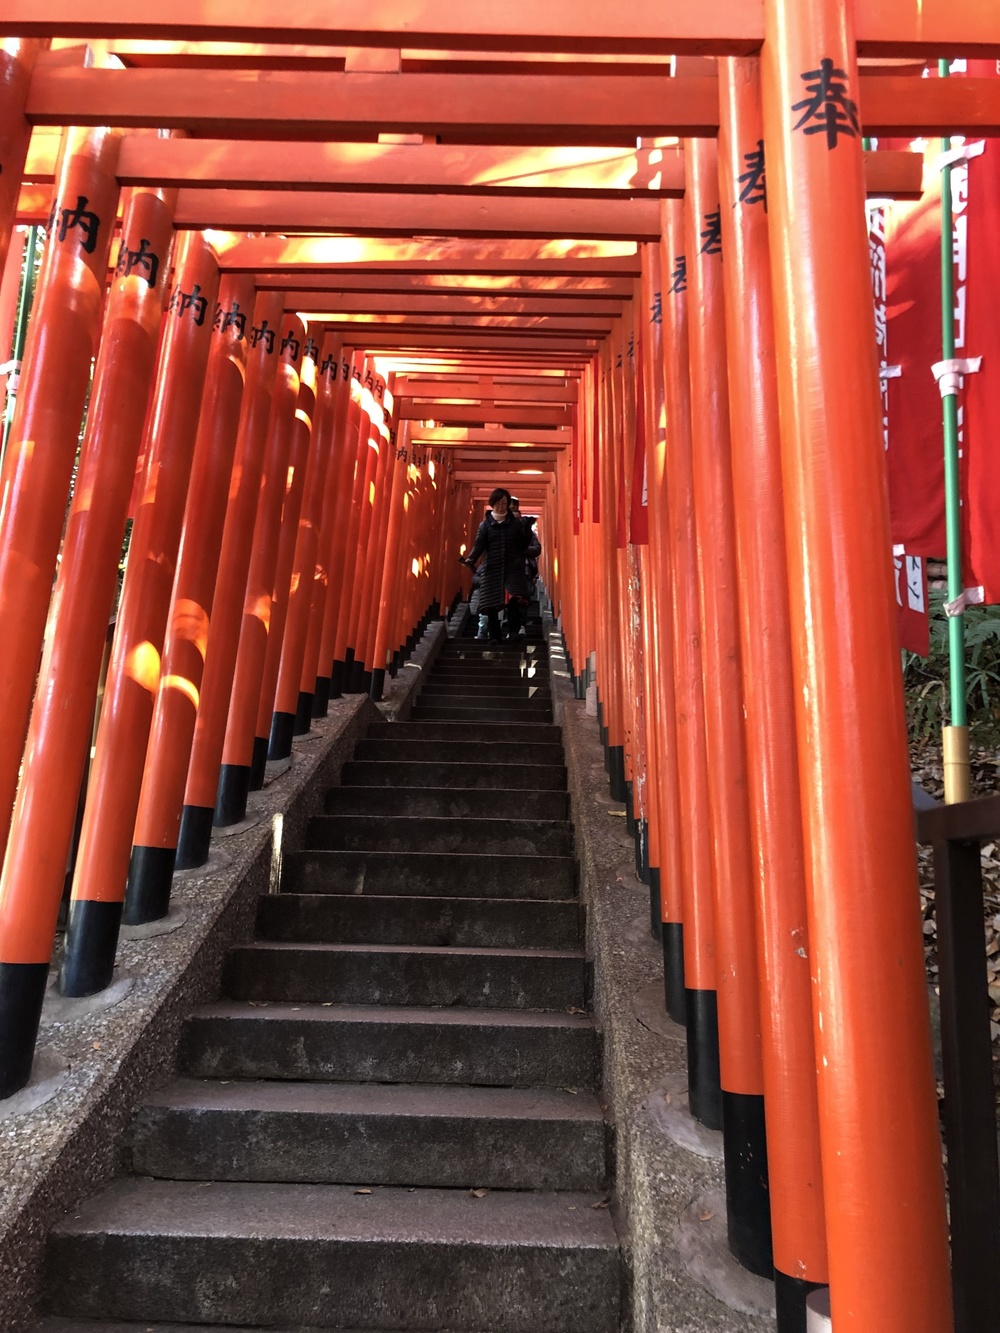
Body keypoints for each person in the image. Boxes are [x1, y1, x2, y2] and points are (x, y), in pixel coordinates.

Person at [460, 487, 530, 643]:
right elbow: (479, 545)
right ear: (492, 504)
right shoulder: (485, 525)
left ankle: (513, 632)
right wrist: (471, 558)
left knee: (513, 600)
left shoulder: (515, 524)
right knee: (491, 603)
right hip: (492, 567)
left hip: (512, 567)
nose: (501, 507)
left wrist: (527, 531)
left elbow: (522, 545)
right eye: (498, 504)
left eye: (504, 503)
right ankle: (494, 635)